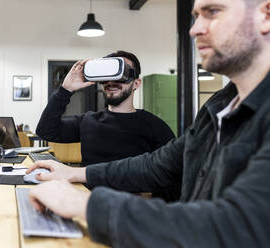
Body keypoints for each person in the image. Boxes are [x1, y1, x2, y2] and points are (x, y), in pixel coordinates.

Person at [27, 0, 270, 247]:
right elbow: (156, 166)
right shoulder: (218, 107)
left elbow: (236, 227)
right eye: (196, 16)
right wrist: (73, 173)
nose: (194, 29)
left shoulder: (156, 124)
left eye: (213, 12)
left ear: (266, 15)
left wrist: (84, 204)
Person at [36, 51, 175, 167]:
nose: (111, 82)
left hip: (130, 199)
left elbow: (171, 173)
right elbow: (46, 131)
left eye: (121, 75)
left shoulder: (155, 127)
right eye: (106, 75)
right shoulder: (88, 121)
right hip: (85, 197)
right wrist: (65, 90)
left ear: (136, 83)